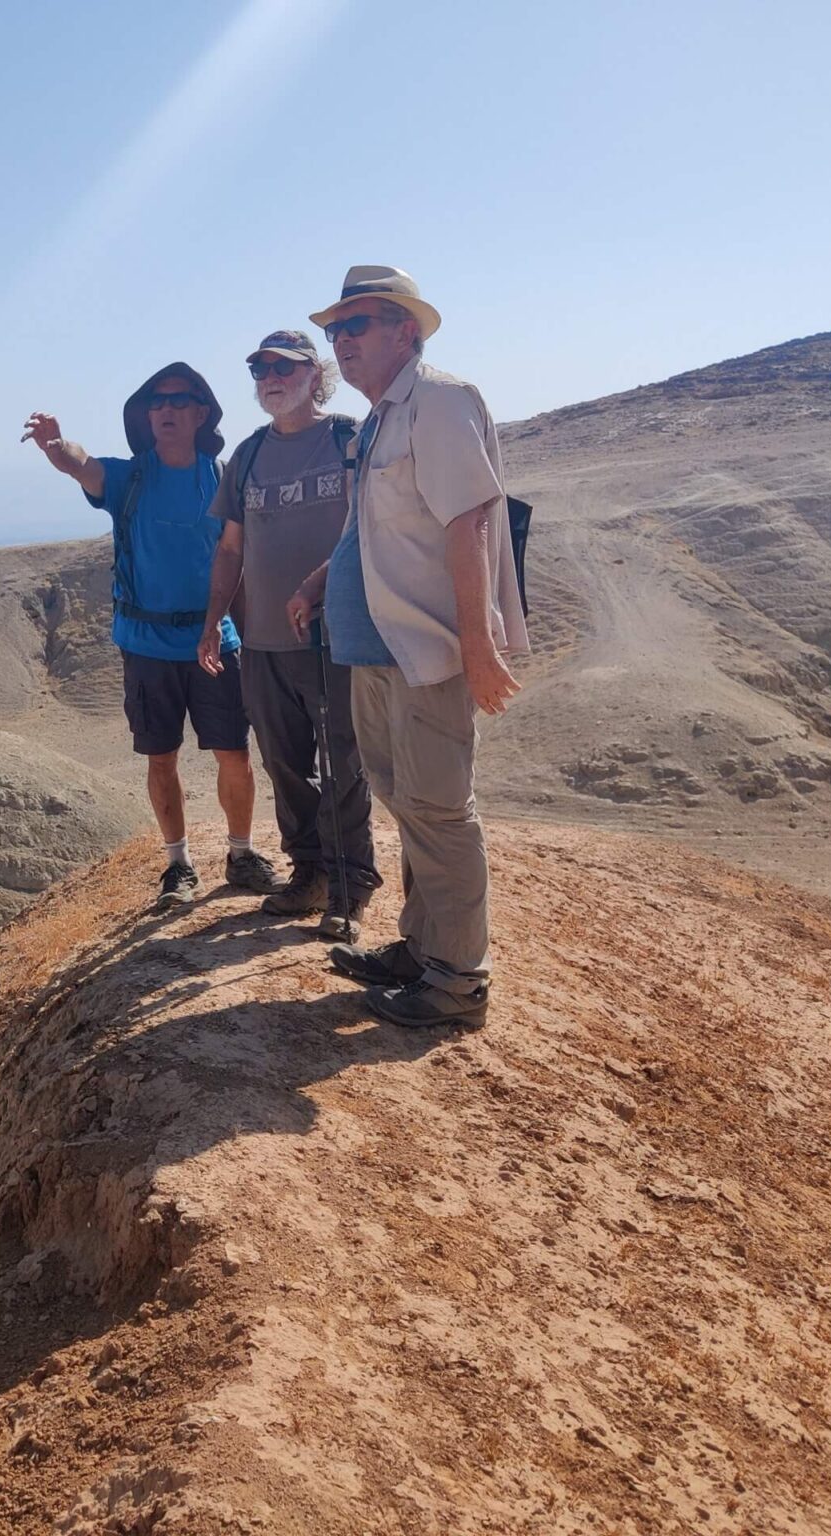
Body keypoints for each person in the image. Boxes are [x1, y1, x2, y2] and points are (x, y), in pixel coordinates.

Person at [285, 267, 529, 1028]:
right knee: (408, 804)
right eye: (336, 330)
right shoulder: (378, 422)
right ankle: (422, 949)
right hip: (373, 647)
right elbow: (374, 527)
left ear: (406, 331)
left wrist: (480, 644)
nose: (342, 342)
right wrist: (324, 579)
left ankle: (456, 984)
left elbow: (470, 523)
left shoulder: (441, 400)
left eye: (358, 325)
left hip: (428, 650)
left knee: (439, 810)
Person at [24, 365, 279, 908]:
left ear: (200, 414)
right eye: (157, 402)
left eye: (180, 400)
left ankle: (241, 854)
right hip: (146, 646)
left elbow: (239, 558)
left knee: (234, 754)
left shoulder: (224, 478)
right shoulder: (129, 478)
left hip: (217, 641)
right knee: (160, 757)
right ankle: (179, 865)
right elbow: (81, 465)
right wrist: (54, 442)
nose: (165, 409)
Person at [197, 330, 381, 937]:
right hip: (264, 642)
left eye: (283, 366)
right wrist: (213, 622)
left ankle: (351, 883)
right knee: (283, 763)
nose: (269, 377)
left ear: (313, 374)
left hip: (338, 636)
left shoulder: (347, 438)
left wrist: (321, 585)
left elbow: (370, 528)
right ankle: (309, 873)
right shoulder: (247, 456)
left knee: (343, 762)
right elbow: (229, 550)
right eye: (259, 369)